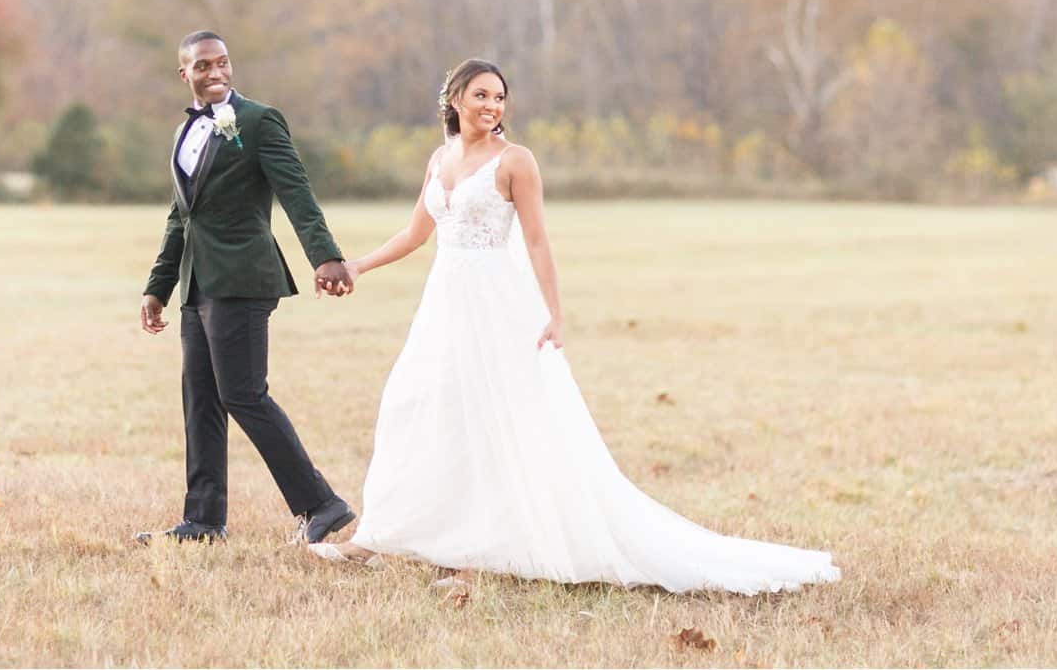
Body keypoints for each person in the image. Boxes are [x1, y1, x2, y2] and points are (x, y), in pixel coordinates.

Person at [306, 59, 840, 595]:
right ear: (454, 100)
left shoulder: (516, 162)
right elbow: (416, 233)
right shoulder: (439, 159)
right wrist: (357, 266)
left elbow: (537, 241)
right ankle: (375, 537)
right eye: (481, 95)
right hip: (444, 305)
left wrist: (554, 314)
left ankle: (467, 553)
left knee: (490, 420)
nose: (492, 106)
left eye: (500, 98)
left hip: (495, 305)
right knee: (412, 405)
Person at [135, 30, 357, 547]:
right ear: (184, 73)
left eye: (223, 63)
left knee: (243, 395)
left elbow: (295, 189)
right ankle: (204, 520)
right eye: (203, 66)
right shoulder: (183, 134)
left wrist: (325, 256)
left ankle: (322, 504)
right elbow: (180, 216)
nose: (216, 73)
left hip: (244, 277)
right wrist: (158, 287)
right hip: (197, 283)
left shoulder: (258, 121)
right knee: (202, 399)